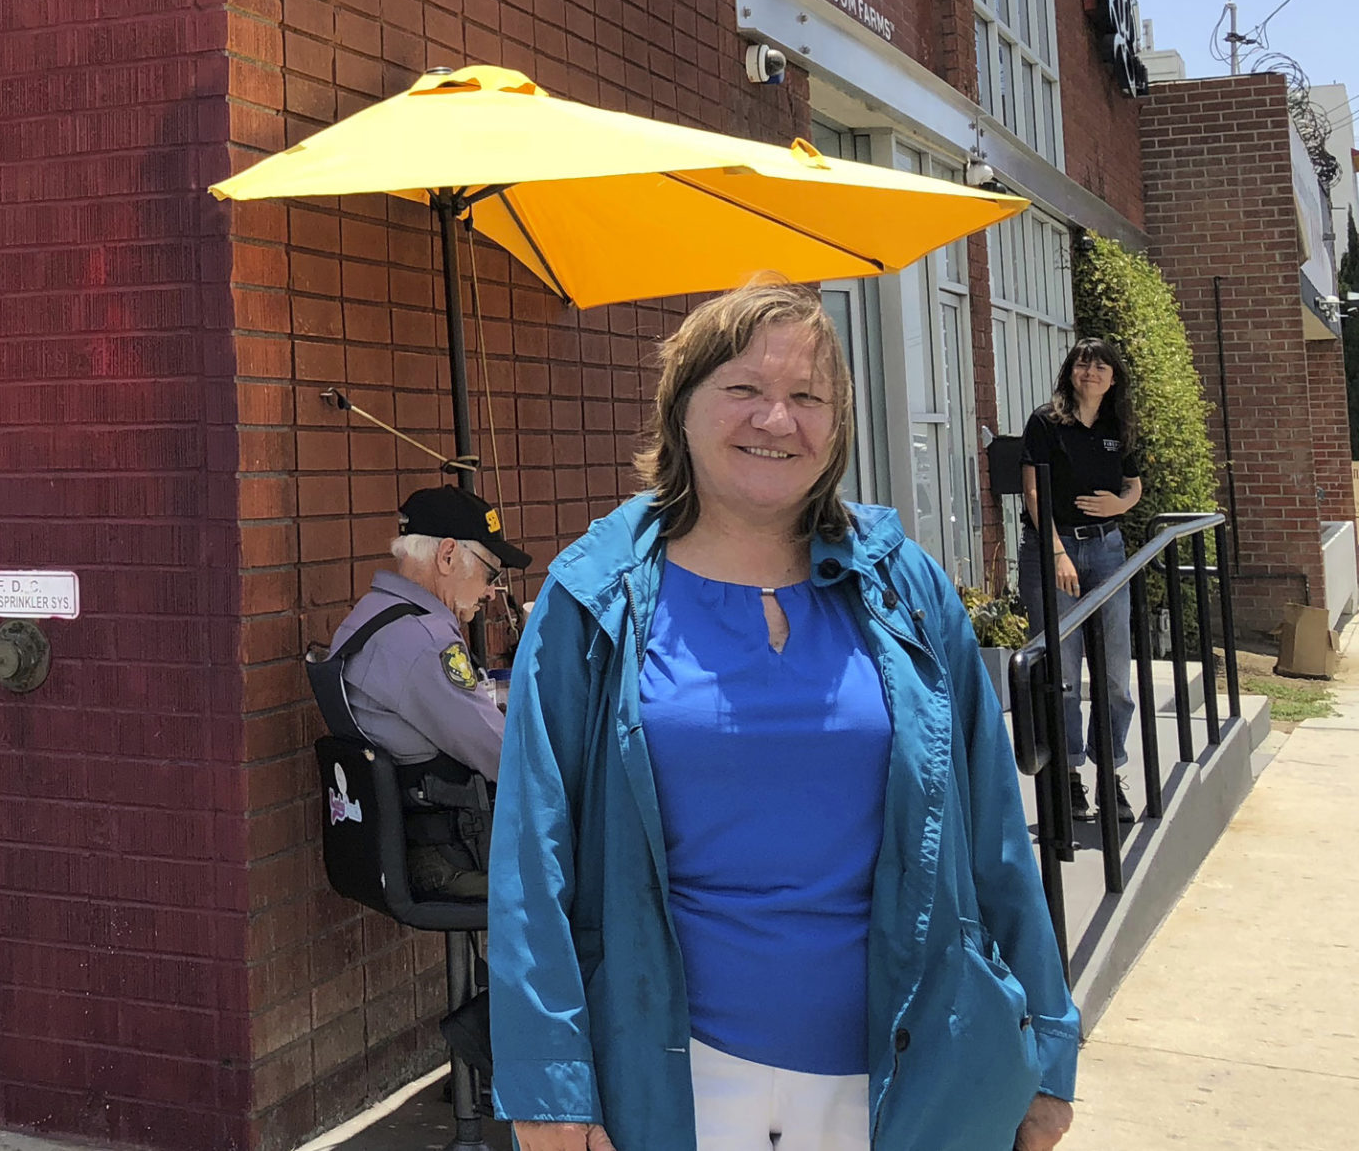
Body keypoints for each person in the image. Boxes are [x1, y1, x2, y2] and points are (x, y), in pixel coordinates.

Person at [490, 279, 1076, 1151]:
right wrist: (549, 1087)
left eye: (808, 397)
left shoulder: (904, 586)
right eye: (743, 391)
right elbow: (532, 857)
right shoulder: (592, 598)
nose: (777, 420)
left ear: (836, 426)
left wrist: (1048, 1042)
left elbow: (994, 826)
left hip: (909, 1076)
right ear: (680, 408)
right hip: (673, 1081)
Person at [324, 482, 518, 900]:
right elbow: (508, 758)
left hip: (406, 843)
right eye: (491, 573)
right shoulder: (426, 641)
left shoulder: (370, 616)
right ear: (448, 555)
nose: (490, 591)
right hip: (449, 857)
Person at [1020, 339, 1144, 827]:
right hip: (1054, 551)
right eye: (1082, 363)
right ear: (1070, 372)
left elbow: (1132, 483)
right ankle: (1069, 777)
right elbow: (1033, 490)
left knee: (1114, 674)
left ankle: (1109, 775)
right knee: (1064, 674)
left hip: (1108, 549)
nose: (1091, 371)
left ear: (1114, 377)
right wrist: (1056, 552)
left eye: (1101, 365)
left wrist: (1123, 506)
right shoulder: (1046, 421)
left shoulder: (1118, 426)